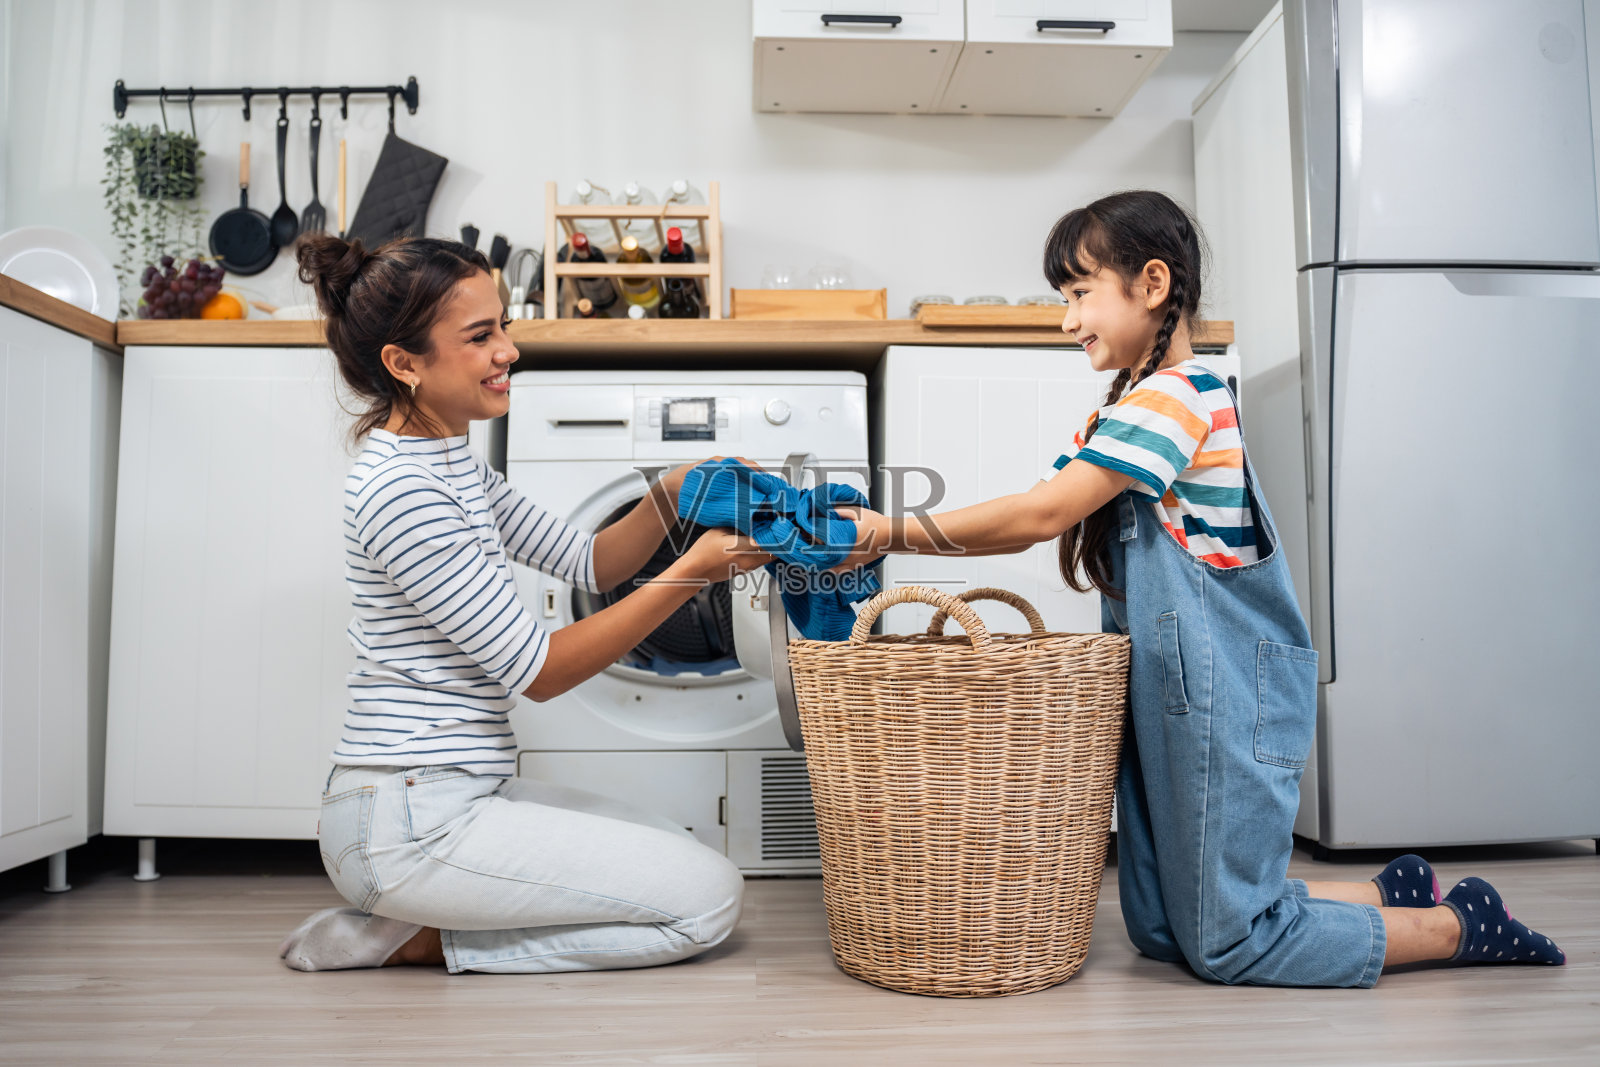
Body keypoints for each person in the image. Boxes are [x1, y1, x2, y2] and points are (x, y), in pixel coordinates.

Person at [830, 190, 1565, 986]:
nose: (1067, 320)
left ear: (1151, 283)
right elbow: (1028, 516)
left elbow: (1040, 515)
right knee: (1159, 927)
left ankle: (1458, 923)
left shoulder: (1180, 397)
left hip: (1225, 691)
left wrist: (886, 531)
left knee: (1227, 941)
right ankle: (1388, 893)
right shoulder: (1126, 410)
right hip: (1169, 692)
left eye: (1080, 293)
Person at [278, 235, 771, 973]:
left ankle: (422, 920)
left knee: (677, 851)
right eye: (480, 336)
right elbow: (540, 671)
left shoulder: (450, 463)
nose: (509, 351)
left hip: (456, 794)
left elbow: (589, 561)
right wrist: (696, 571)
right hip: (408, 823)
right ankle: (422, 939)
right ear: (404, 363)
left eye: (503, 326)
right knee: (708, 901)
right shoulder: (401, 491)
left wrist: (672, 492)